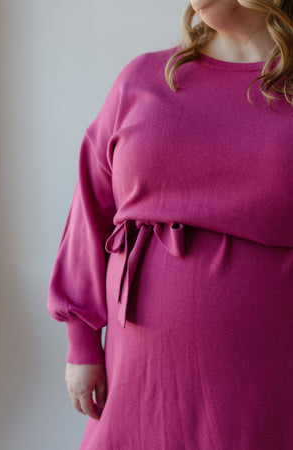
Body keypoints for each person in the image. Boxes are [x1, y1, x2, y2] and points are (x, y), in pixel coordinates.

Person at [47, 0, 293, 448]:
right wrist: (81, 341)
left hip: (268, 389)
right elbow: (90, 207)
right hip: (139, 386)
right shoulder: (143, 79)